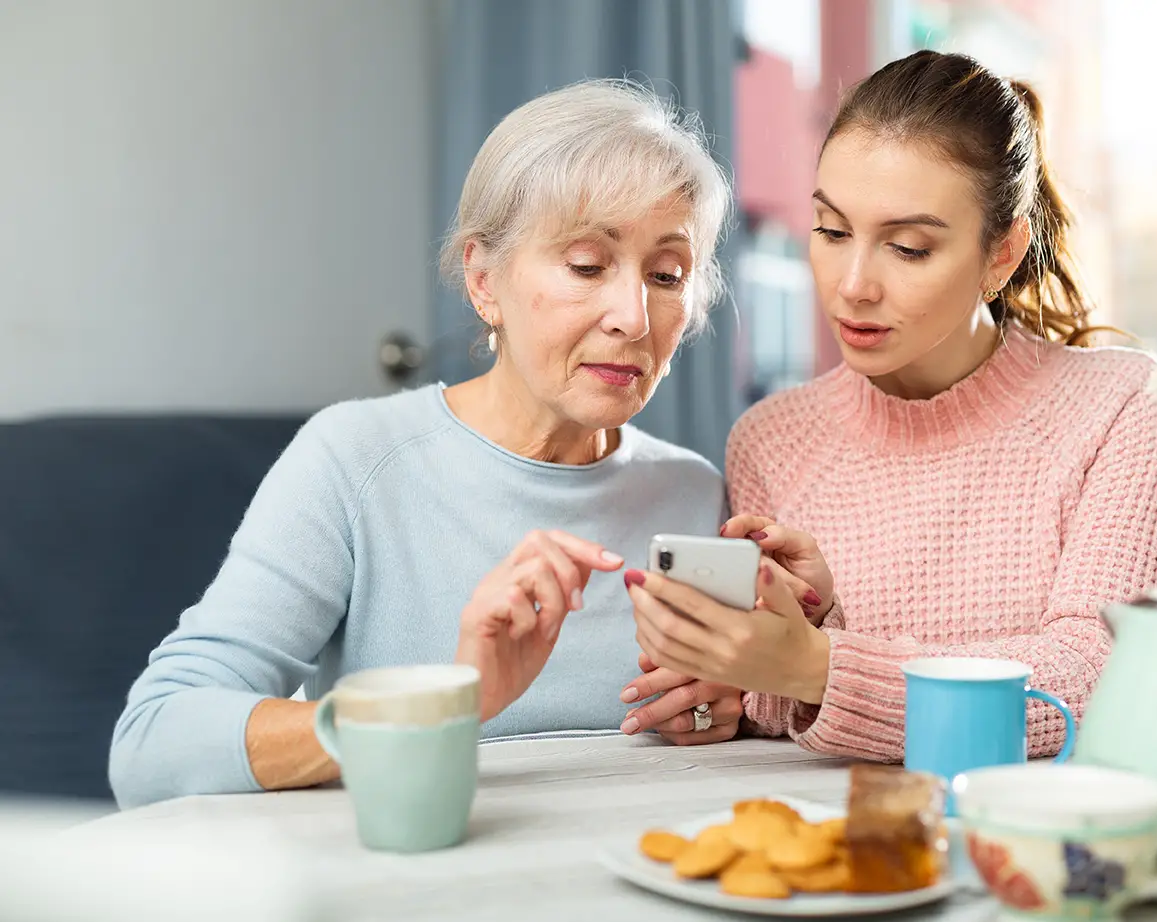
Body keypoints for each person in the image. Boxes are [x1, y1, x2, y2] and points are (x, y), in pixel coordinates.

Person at [109, 78, 735, 809]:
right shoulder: (353, 459)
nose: (633, 314)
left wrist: (729, 708)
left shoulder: (695, 494)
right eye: (587, 265)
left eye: (667, 275)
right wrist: (441, 708)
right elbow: (153, 742)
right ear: (483, 281)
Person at [618, 50, 1157, 761]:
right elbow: (777, 715)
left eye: (909, 248)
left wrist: (817, 665)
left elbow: (1101, 674)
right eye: (831, 231)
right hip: (833, 845)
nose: (853, 284)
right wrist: (740, 681)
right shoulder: (772, 438)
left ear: (1002, 255)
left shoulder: (1122, 404)